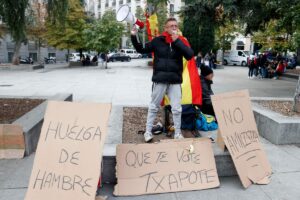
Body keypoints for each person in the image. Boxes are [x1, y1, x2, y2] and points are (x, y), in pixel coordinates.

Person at [131, 17, 194, 142]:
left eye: (176, 26)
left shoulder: (181, 41)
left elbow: (189, 55)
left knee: (177, 109)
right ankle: (148, 132)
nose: (174, 28)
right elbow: (141, 49)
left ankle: (177, 133)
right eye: (171, 26)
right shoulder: (158, 41)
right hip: (160, 80)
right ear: (165, 28)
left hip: (175, 80)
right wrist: (134, 36)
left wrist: (177, 41)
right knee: (154, 106)